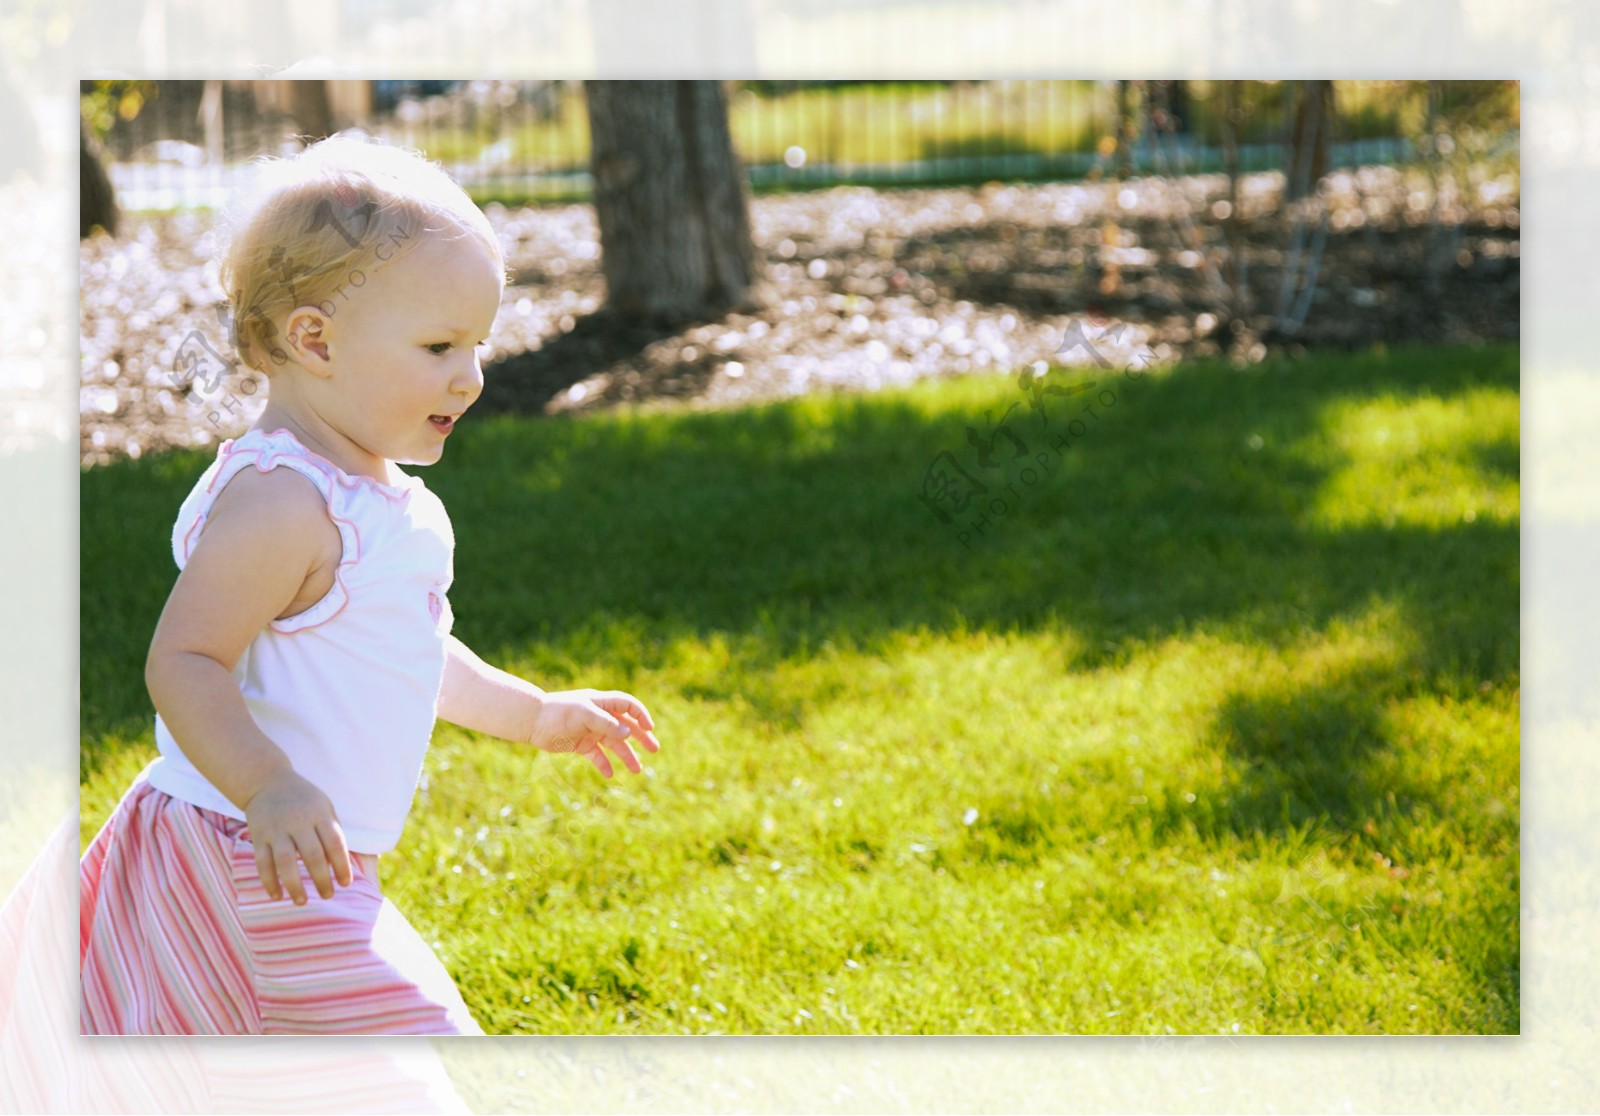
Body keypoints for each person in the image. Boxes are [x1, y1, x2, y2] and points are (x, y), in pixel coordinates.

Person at [79, 134, 661, 1036]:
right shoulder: (283, 501)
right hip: (239, 852)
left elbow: (410, 652)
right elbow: (184, 660)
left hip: (306, 858)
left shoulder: (381, 502)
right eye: (439, 346)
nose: (471, 377)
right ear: (316, 339)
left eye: (477, 345)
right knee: (418, 1050)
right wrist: (269, 787)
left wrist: (533, 714)